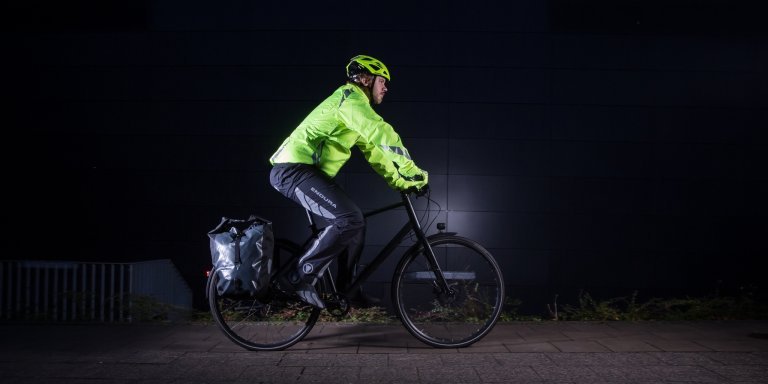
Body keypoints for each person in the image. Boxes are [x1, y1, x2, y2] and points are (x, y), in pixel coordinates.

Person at [269, 55, 429, 309]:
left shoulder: (356, 111)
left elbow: (377, 153)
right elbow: (382, 133)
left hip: (309, 174)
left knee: (356, 223)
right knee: (350, 219)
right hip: (292, 170)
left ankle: (348, 288)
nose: (386, 87)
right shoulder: (350, 99)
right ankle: (299, 276)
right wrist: (415, 173)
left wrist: (402, 181)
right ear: (366, 79)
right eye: (382, 81)